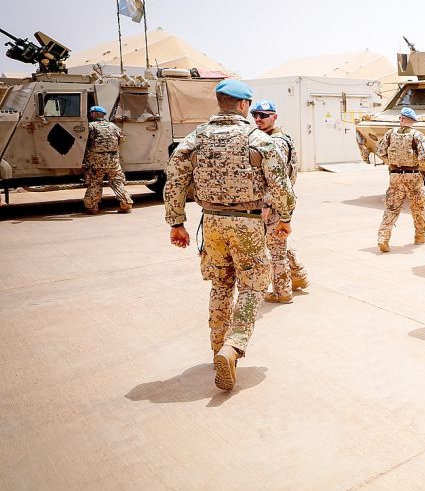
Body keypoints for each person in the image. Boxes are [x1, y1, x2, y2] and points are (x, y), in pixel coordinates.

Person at [164, 80, 296, 392]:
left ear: (220, 102)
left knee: (220, 285)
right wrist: (285, 218)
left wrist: (176, 223)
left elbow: (174, 178)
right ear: (242, 105)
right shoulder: (257, 139)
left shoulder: (196, 137)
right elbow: (280, 184)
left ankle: (216, 348)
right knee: (252, 288)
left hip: (211, 222)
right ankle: (233, 346)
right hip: (248, 223)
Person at [250, 100, 309, 304]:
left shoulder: (275, 142)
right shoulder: (278, 137)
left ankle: (282, 292)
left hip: (274, 203)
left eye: (263, 115)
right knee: (278, 242)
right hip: (279, 201)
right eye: (255, 115)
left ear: (274, 116)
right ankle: (299, 275)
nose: (258, 119)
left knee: (276, 251)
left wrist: (266, 205)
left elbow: (274, 178)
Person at [375, 107, 425, 252]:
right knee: (418, 206)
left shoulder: (389, 134)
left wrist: (392, 163)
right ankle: (420, 235)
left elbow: (380, 151)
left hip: (394, 175)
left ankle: (383, 238)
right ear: (412, 121)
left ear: (401, 119)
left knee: (391, 207)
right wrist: (420, 167)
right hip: (413, 176)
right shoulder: (417, 135)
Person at [83, 105, 133, 215]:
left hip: (97, 161)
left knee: (95, 182)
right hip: (113, 161)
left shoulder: (91, 126)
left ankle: (92, 207)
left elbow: (84, 142)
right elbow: (122, 138)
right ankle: (126, 204)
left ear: (94, 114)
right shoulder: (113, 126)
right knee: (117, 182)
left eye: (91, 113)